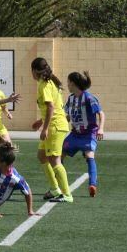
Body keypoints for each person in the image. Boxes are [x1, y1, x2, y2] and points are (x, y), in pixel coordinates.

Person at [30, 57, 72, 203]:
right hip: (55, 124)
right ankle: (54, 189)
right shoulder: (52, 82)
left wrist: (45, 128)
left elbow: (50, 107)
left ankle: (67, 195)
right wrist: (40, 121)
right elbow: (52, 107)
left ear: (34, 71)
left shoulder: (44, 84)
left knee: (55, 160)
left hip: (55, 126)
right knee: (42, 156)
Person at [63, 71, 105, 197]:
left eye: (68, 82)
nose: (67, 85)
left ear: (73, 83)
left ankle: (92, 185)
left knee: (89, 156)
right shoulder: (70, 99)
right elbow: (68, 117)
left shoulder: (89, 98)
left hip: (88, 134)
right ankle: (59, 185)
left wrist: (101, 129)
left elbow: (101, 113)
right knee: (59, 156)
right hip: (74, 135)